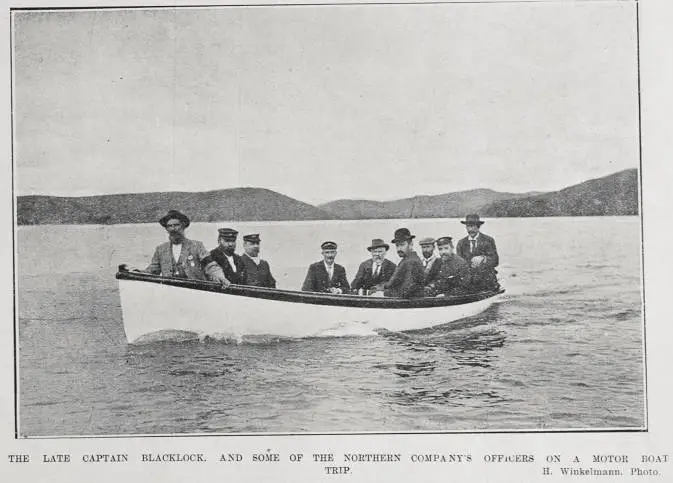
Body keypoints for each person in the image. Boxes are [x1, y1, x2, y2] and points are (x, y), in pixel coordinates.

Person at [143, 210, 229, 285]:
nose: (173, 229)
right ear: (166, 229)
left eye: (176, 225)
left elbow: (210, 265)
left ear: (183, 226)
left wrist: (221, 277)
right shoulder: (161, 249)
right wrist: (137, 272)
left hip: (195, 290)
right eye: (169, 226)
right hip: (169, 291)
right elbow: (153, 270)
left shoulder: (197, 246)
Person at [455, 214, 500, 291]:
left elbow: (495, 261)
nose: (470, 229)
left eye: (472, 226)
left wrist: (483, 258)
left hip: (486, 279)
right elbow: (459, 263)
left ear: (478, 226)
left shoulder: (488, 240)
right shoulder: (461, 243)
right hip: (468, 280)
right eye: (468, 226)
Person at [383, 228, 425, 299]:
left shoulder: (412, 262)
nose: (399, 249)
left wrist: (383, 293)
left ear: (411, 244)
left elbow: (406, 292)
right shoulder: (406, 260)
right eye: (397, 245)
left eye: (402, 245)